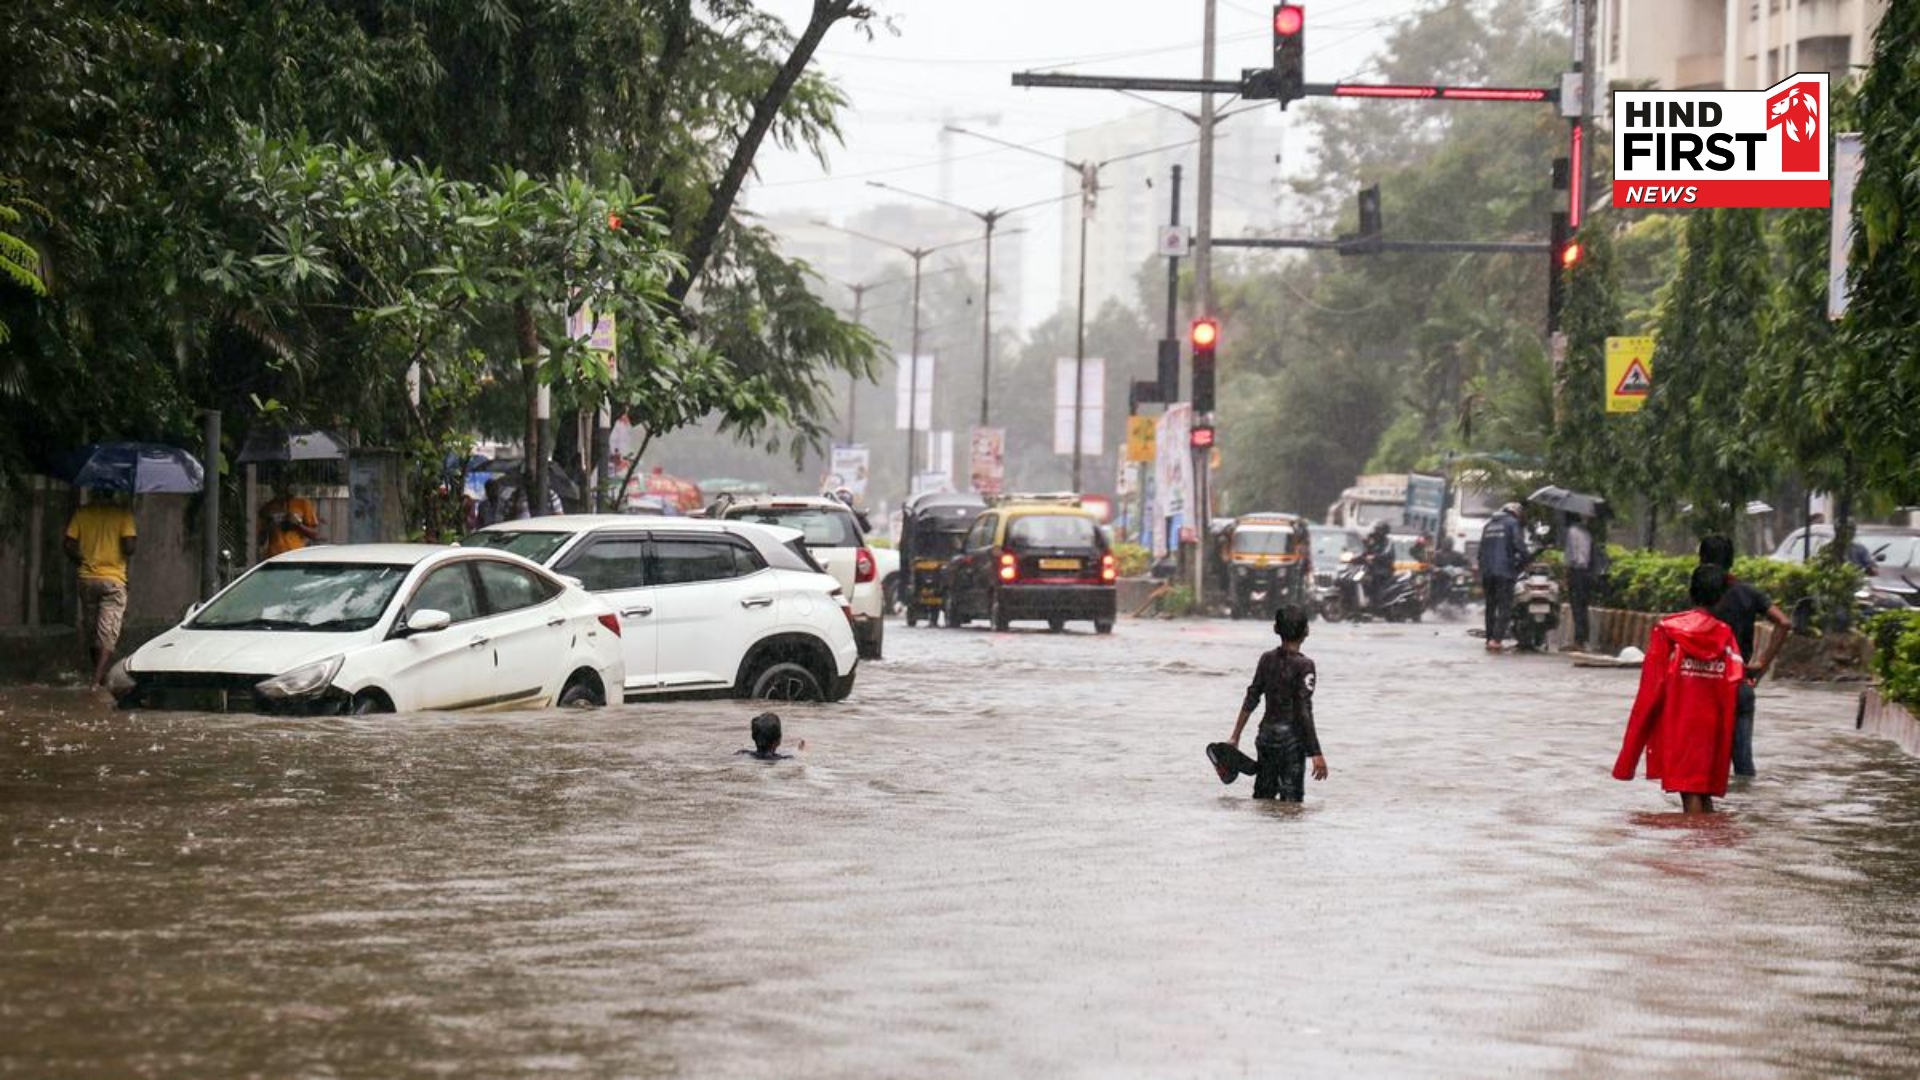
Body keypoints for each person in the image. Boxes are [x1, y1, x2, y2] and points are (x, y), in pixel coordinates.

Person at [1613, 565, 1745, 814]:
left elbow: (1651, 689)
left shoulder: (1668, 631)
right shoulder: (1725, 634)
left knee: (1689, 791)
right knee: (1703, 791)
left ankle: (1691, 847)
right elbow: (1735, 679)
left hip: (1681, 721)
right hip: (1713, 724)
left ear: (1690, 592)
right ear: (1720, 597)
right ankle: (1709, 842)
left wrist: (1630, 751)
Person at [1207, 605, 1329, 801]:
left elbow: (1251, 697)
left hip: (1265, 738)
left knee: (1263, 799)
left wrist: (1235, 736)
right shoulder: (1305, 665)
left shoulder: (1266, 659)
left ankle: (1263, 831)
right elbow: (1303, 709)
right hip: (1292, 742)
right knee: (1291, 806)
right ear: (1306, 631)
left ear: (1275, 629)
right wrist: (1316, 752)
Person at [1697, 536, 1791, 778]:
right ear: (1731, 561)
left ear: (1701, 560)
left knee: (1700, 765)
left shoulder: (1700, 595)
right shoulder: (1748, 593)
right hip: (1739, 684)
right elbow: (1783, 622)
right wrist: (1761, 664)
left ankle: (1702, 815)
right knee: (1743, 767)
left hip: (1702, 685)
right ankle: (1744, 813)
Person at [64, 489, 137, 688]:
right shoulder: (124, 514)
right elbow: (130, 548)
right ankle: (96, 681)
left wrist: (81, 559)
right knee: (107, 633)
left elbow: (68, 544)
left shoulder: (82, 513)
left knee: (92, 630)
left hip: (87, 579)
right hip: (113, 580)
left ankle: (100, 675)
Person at [1478, 502, 1528, 652]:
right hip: (1505, 571)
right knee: (1505, 607)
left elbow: (1480, 553)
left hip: (1487, 572)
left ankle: (1489, 639)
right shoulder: (1512, 523)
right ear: (1516, 513)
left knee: (1490, 606)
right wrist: (1526, 559)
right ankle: (1496, 639)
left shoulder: (1488, 526)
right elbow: (1519, 545)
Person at [257, 474, 321, 557]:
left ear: (288, 484)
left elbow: (315, 534)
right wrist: (269, 526)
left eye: (281, 482)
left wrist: (298, 524)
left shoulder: (302, 504)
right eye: (274, 482)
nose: (278, 485)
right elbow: (260, 540)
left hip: (296, 553)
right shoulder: (267, 507)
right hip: (275, 555)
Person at [1564, 513, 1596, 652]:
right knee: (1583, 606)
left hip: (1576, 571)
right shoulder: (1587, 533)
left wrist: (1566, 572)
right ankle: (1583, 639)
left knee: (1577, 607)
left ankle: (1579, 640)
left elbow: (1571, 555)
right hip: (1587, 572)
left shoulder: (1572, 531)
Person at [736, 712, 804, 761]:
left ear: (753, 737)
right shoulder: (785, 759)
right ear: (778, 741)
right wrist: (800, 751)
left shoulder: (742, 753)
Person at [1361, 520, 1394, 611]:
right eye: (1376, 529)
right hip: (1371, 568)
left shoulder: (1388, 542)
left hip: (1383, 569)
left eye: (1379, 530)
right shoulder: (1373, 541)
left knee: (1374, 579)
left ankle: (1376, 602)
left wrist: (1375, 557)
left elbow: (1387, 554)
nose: (1376, 532)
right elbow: (1365, 552)